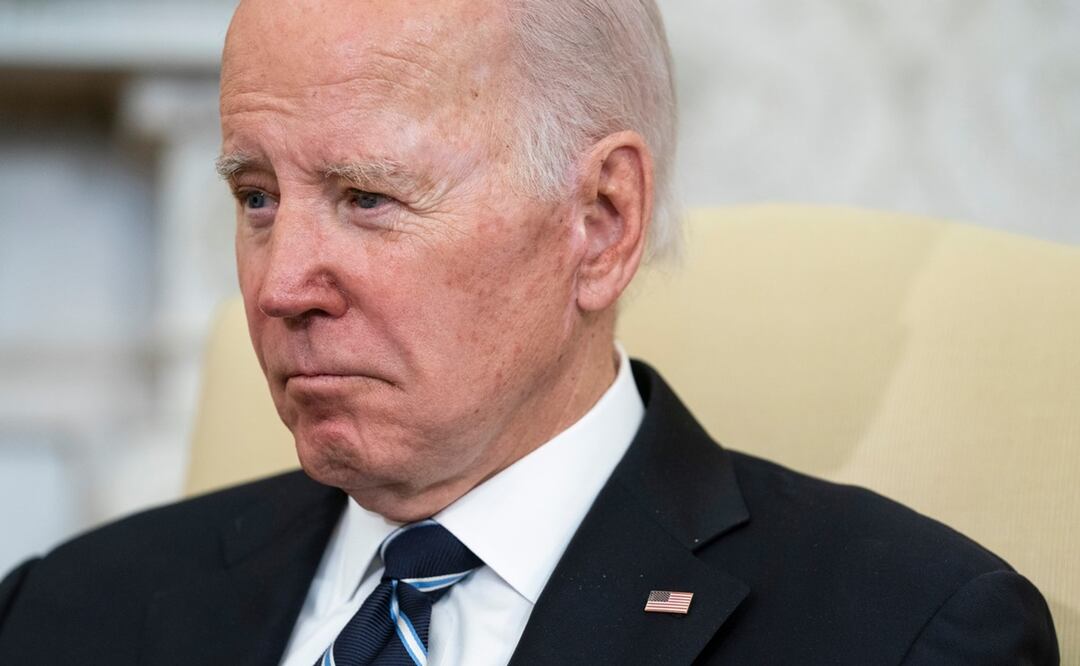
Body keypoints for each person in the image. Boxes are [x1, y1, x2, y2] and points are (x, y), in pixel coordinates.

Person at [0, 0, 1059, 663]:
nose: (278, 288)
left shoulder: (907, 632)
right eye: (257, 197)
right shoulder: (61, 616)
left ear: (600, 222)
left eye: (367, 196)